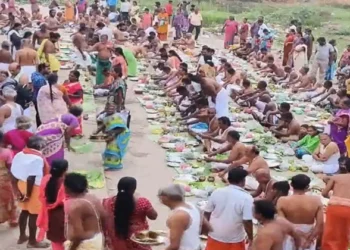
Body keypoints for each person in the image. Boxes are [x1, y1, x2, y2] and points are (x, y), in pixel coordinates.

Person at [11, 135, 50, 248]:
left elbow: (13, 172)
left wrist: (17, 190)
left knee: (24, 211)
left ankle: (22, 236)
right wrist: (28, 195)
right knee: (34, 214)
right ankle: (32, 242)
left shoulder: (20, 154)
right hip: (33, 188)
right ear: (39, 146)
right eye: (43, 145)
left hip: (21, 184)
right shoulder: (37, 159)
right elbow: (31, 178)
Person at [103, 177, 158, 250]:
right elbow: (153, 216)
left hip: (117, 235)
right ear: (134, 189)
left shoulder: (107, 202)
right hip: (137, 237)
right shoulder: (142, 202)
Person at [205, 168, 253, 250]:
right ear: (243, 181)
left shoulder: (217, 191)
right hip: (234, 239)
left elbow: (207, 213)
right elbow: (247, 221)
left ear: (228, 179)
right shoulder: (247, 198)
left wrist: (205, 229)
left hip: (215, 234)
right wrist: (251, 237)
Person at [276, 174, 323, 250]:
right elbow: (320, 224)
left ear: (291, 185)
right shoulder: (316, 200)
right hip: (309, 235)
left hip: (290, 235)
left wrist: (298, 235)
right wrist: (308, 239)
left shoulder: (282, 200)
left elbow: (282, 223)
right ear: (307, 187)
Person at [158, 184, 211, 250]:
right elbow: (207, 228)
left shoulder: (178, 216)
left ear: (164, 198)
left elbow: (174, 246)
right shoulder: (192, 206)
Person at [64, 173, 107, 250]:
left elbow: (78, 234)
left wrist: (72, 248)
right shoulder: (93, 198)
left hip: (85, 244)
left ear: (67, 188)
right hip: (97, 239)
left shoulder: (76, 207)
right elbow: (104, 217)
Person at [37, 159, 68, 250]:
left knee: (56, 242)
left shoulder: (45, 179)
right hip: (63, 214)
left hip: (49, 215)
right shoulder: (65, 183)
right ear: (65, 170)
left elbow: (41, 196)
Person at [321, 160, 350, 249]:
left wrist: (332, 195)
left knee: (331, 233)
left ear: (345, 166)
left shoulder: (337, 177)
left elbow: (324, 193)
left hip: (335, 207)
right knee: (345, 234)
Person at [99, 104, 130, 170]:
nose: (110, 110)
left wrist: (112, 134)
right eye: (108, 108)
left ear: (115, 110)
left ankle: (115, 165)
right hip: (112, 134)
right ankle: (109, 163)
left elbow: (121, 128)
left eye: (112, 108)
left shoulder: (116, 117)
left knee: (114, 149)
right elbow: (103, 125)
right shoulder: (105, 116)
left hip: (120, 134)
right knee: (109, 147)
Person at [0, 131, 17, 227]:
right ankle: (13, 219)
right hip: (4, 178)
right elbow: (10, 166)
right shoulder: (6, 152)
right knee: (9, 198)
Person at [62, 70, 84, 136]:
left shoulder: (78, 85)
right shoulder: (66, 82)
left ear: (76, 78)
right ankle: (67, 131)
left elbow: (80, 95)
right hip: (67, 102)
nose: (70, 77)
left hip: (75, 103)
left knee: (75, 117)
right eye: (69, 75)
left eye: (72, 76)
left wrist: (70, 95)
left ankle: (75, 132)